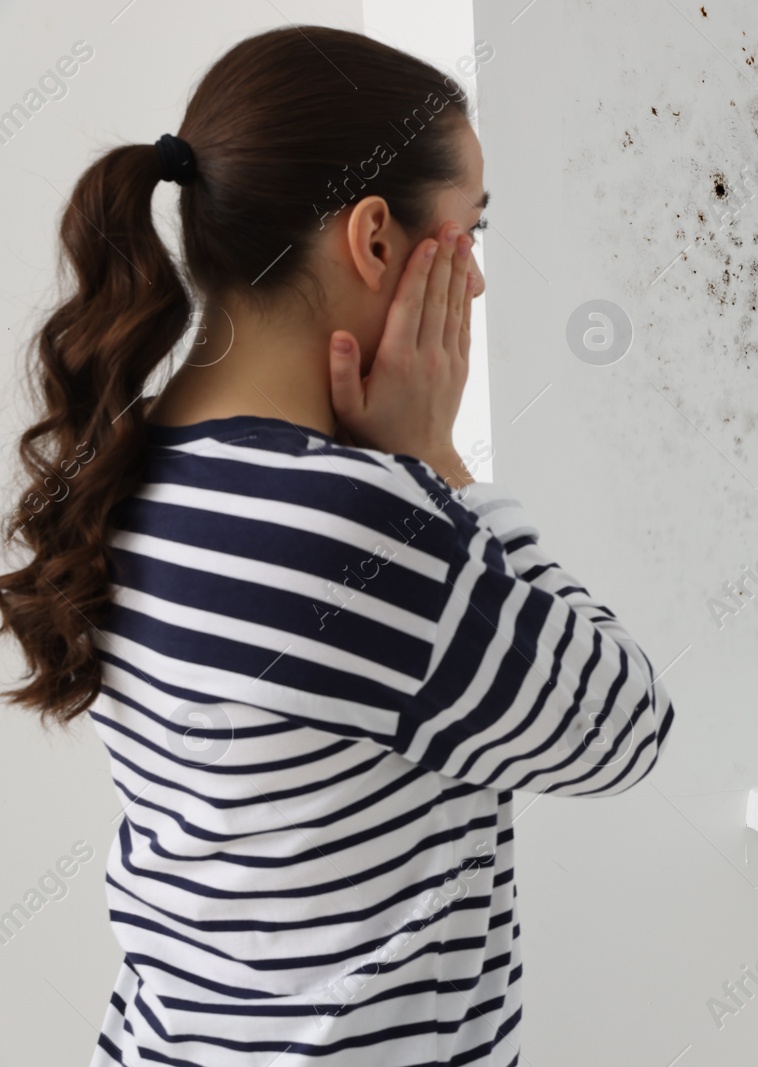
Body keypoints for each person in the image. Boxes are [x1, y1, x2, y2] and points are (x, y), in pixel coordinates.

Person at [0, 26, 674, 1065]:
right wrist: (442, 462)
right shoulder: (355, 525)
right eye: (470, 232)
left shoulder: (134, 460)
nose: (480, 284)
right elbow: (624, 727)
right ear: (372, 239)